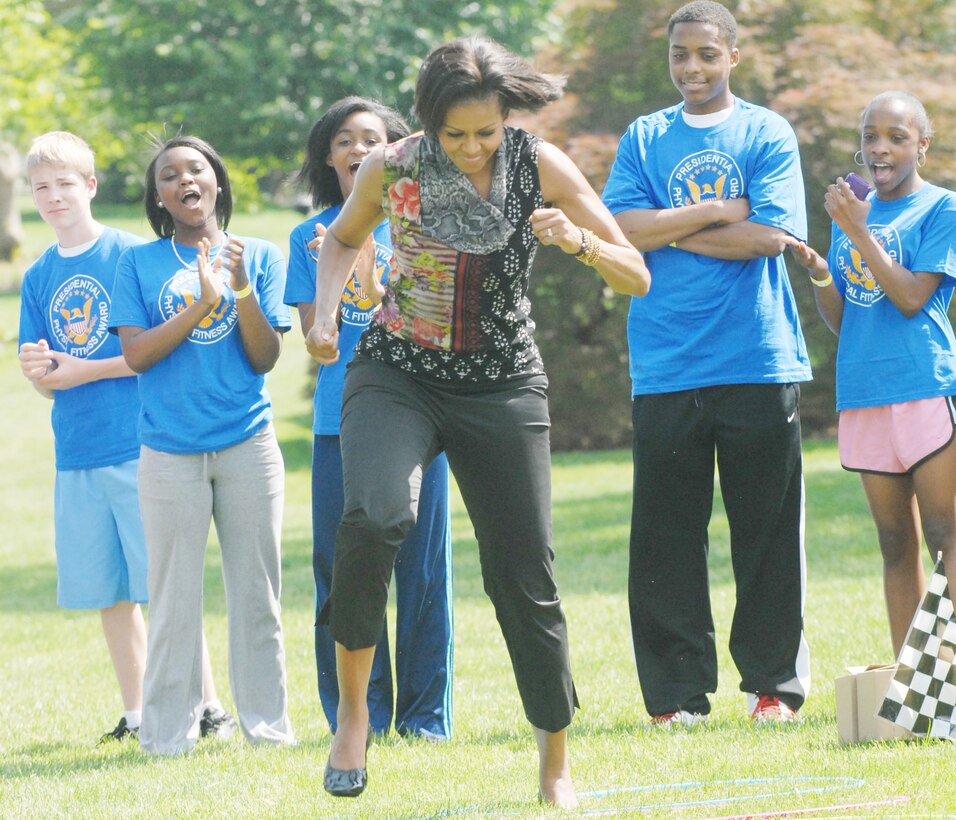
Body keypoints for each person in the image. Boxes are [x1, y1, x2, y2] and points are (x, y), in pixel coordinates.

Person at [305, 35, 650, 805]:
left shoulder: (540, 164)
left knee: (523, 575)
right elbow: (341, 240)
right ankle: (354, 717)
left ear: (507, 117)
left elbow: (638, 273)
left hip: (503, 385)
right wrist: (325, 314)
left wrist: (582, 240)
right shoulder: (390, 165)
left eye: (484, 133)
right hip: (398, 371)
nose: (469, 149)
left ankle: (555, 762)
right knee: (374, 517)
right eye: (453, 134)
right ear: (427, 121)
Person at [602, 0, 812, 725]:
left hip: (757, 355)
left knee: (767, 532)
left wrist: (668, 229)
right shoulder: (645, 135)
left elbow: (769, 239)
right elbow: (620, 229)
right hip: (665, 362)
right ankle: (676, 698)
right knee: (664, 538)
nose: (692, 68)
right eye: (680, 56)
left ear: (732, 55)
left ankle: (772, 689)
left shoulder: (766, 132)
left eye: (705, 55)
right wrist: (717, 211)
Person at [17, 131, 235, 745]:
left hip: (139, 442)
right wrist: (41, 375)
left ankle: (208, 707)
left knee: (164, 583)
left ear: (89, 186)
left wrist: (83, 369)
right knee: (111, 591)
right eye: (41, 188)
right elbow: (49, 378)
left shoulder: (129, 256)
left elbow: (149, 350)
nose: (54, 196)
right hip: (77, 449)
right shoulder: (38, 276)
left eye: (65, 183)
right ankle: (139, 711)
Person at [109, 135, 294, 755]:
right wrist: (199, 306)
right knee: (173, 599)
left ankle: (268, 732)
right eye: (169, 175)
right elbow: (136, 354)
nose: (185, 180)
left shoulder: (260, 255)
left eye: (196, 169)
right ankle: (166, 738)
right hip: (169, 453)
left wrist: (238, 291)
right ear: (158, 196)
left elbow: (264, 357)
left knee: (257, 597)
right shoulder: (138, 263)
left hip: (248, 446)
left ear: (217, 180)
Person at [285, 97, 454, 740]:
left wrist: (371, 271)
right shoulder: (310, 237)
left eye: (371, 138)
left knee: (421, 567)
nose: (358, 149)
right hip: (338, 424)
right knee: (340, 567)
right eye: (344, 140)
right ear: (327, 156)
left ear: (393, 149)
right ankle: (356, 714)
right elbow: (316, 336)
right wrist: (323, 329)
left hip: (420, 418)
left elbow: (430, 315)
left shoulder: (422, 222)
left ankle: (424, 716)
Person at [789, 92, 956, 657]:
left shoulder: (941, 209)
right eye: (870, 136)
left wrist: (858, 232)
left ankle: (952, 676)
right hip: (863, 392)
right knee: (892, 542)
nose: (880, 148)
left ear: (922, 146)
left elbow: (911, 298)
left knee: (944, 535)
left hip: (925, 386)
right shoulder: (850, 211)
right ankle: (914, 681)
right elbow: (846, 317)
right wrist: (818, 275)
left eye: (897, 137)